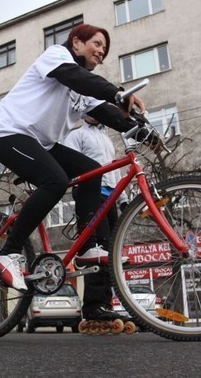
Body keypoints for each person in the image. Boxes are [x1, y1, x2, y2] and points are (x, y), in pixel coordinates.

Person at [0, 23, 146, 322]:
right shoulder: (56, 56)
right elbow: (76, 77)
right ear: (76, 42)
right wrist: (117, 92)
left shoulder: (84, 90)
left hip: (40, 143)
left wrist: (144, 130)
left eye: (105, 49)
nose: (101, 51)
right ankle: (9, 251)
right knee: (55, 181)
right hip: (7, 134)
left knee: (92, 170)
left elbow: (108, 113)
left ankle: (86, 247)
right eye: (97, 43)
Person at [63, 115, 130, 317]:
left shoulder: (106, 138)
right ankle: (93, 306)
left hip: (111, 195)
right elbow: (71, 163)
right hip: (91, 194)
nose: (94, 113)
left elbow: (114, 170)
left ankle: (106, 303)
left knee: (111, 250)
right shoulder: (78, 135)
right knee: (96, 249)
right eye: (90, 110)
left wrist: (123, 198)